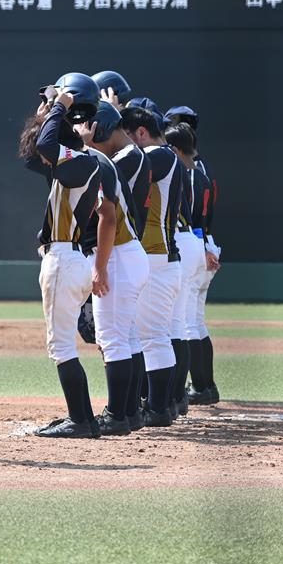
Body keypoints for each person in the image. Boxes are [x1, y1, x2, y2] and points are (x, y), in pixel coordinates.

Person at [18, 77, 103, 439]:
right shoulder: (79, 162)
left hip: (65, 259)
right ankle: (84, 418)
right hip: (73, 259)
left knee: (61, 345)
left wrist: (60, 107)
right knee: (66, 342)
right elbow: (33, 151)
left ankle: (80, 420)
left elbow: (46, 144)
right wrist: (49, 114)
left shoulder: (79, 162)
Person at [77, 102, 149, 435]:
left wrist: (100, 268)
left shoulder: (100, 161)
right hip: (130, 253)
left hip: (117, 255)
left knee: (113, 340)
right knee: (128, 337)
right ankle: (130, 413)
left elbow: (107, 219)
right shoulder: (113, 159)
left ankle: (117, 415)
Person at [120, 105, 185, 427]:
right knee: (152, 335)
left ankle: (159, 408)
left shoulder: (159, 156)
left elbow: (124, 165)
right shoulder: (165, 156)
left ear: (142, 133)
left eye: (127, 135)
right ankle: (159, 405)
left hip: (157, 257)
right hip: (160, 257)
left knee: (153, 336)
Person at [166, 106, 222, 406]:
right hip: (204, 243)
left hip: (194, 243)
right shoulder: (204, 168)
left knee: (185, 323)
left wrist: (202, 246)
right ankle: (205, 386)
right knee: (195, 321)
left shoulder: (185, 170)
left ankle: (193, 389)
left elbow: (190, 214)